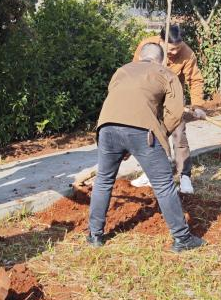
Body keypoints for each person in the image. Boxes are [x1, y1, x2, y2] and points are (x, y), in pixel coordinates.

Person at [88, 43, 205, 253]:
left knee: (103, 180)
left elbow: (117, 99)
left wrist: (122, 142)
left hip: (106, 127)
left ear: (140, 56)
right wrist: (161, 133)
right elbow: (175, 113)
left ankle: (95, 235)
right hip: (142, 130)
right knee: (164, 185)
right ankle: (182, 238)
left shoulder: (122, 70)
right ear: (161, 60)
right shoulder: (166, 74)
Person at [129, 24, 207, 194]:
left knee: (179, 136)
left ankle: (185, 177)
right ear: (161, 41)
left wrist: (198, 105)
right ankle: (151, 174)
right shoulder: (147, 47)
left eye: (178, 48)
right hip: (151, 98)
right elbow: (135, 71)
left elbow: (195, 80)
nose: (175, 52)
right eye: (171, 49)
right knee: (152, 137)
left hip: (174, 99)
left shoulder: (187, 53)